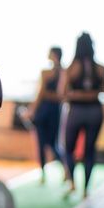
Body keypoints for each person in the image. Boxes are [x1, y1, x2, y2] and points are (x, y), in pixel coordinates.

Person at [61, 32, 104, 198]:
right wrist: (90, 94)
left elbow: (63, 92)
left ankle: (72, 182)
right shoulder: (101, 69)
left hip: (76, 111)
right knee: (89, 151)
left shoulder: (72, 68)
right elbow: (103, 91)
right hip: (95, 110)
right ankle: (85, 189)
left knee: (68, 148)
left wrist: (77, 95)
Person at [28, 46, 70, 185]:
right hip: (55, 109)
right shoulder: (63, 72)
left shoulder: (48, 73)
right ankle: (63, 171)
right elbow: (60, 95)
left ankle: (47, 174)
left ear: (54, 55)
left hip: (46, 109)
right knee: (52, 144)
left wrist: (31, 110)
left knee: (46, 144)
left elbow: (41, 94)